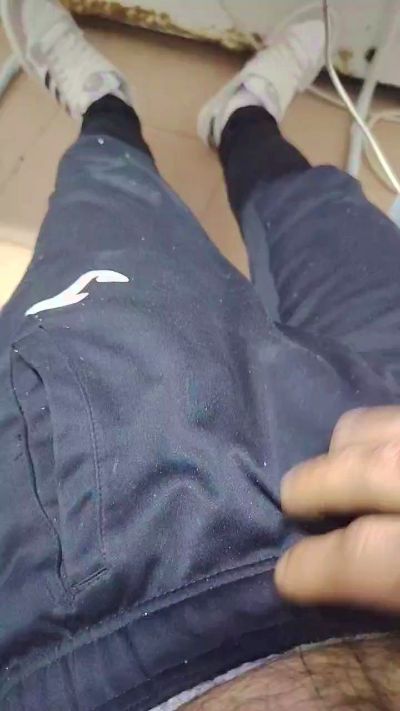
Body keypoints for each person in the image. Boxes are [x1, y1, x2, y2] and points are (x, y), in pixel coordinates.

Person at [1, 1, 400, 709]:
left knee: (109, 209)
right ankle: (244, 118)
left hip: (116, 618)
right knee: (328, 218)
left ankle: (104, 109)